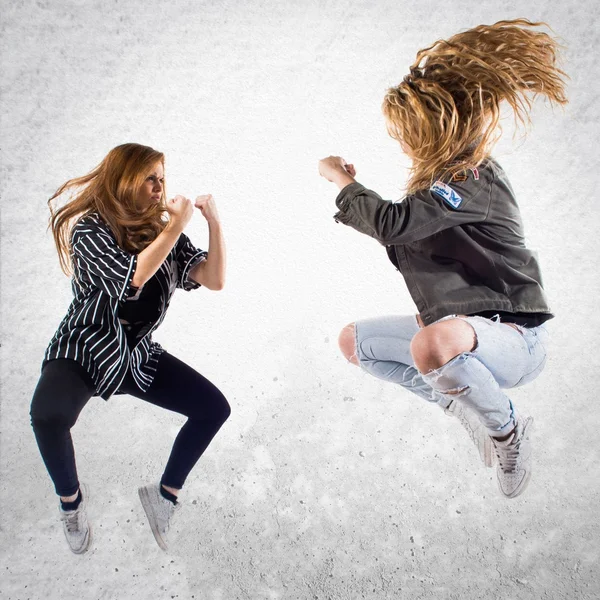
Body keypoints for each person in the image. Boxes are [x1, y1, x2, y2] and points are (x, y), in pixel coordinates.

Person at [318, 19, 567, 499]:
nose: (404, 143)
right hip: (467, 332)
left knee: (429, 345)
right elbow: (401, 231)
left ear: (430, 129)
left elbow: (392, 223)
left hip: (516, 339)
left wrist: (342, 183)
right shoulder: (436, 188)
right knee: (356, 343)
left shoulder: (474, 178)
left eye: (407, 132)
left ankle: (509, 432)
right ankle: (463, 408)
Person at [30, 143, 230, 553]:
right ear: (124, 181)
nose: (159, 188)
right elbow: (132, 279)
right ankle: (71, 503)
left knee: (213, 408)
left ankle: (164, 498)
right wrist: (175, 227)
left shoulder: (164, 233)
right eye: (149, 179)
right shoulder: (92, 230)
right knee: (48, 416)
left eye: (162, 179)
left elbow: (213, 279)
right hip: (87, 345)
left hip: (133, 355)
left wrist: (214, 223)